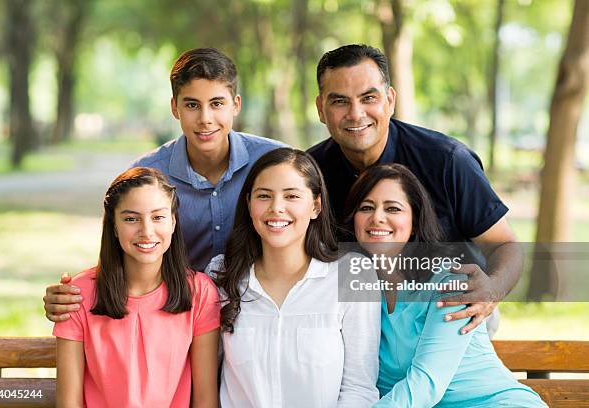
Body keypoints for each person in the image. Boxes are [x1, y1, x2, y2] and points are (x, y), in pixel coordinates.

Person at [43, 48, 284, 322]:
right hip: (176, 318)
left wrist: (345, 301)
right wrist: (75, 294)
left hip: (261, 316)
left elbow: (317, 243)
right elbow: (122, 253)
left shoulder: (276, 164)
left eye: (217, 104)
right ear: (175, 107)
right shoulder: (146, 174)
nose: (205, 118)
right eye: (192, 105)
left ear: (236, 105)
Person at [307, 44, 521, 335]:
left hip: (451, 314)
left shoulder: (447, 160)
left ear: (390, 100)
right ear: (321, 109)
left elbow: (505, 244)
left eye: (369, 98)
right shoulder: (309, 173)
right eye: (340, 101)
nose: (356, 114)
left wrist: (491, 291)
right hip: (359, 320)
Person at [344, 163, 546, 408]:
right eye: (366, 207)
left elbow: (426, 383)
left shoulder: (451, 282)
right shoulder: (355, 292)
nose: (377, 217)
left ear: (414, 222)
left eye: (393, 208)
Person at [209, 147, 380, 407]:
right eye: (264, 196)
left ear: (316, 206)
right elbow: (208, 379)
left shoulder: (351, 273)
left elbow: (359, 387)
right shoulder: (221, 274)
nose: (276, 208)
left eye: (291, 196)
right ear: (249, 204)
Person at [54, 167, 220, 407]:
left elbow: (205, 400)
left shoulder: (200, 292)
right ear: (113, 225)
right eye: (131, 219)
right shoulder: (78, 294)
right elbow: (69, 403)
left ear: (173, 222)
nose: (146, 231)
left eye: (158, 217)